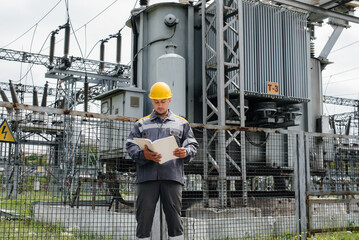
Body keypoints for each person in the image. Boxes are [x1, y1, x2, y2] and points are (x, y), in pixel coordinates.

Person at [126, 82, 198, 240]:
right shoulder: (141, 124)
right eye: (156, 101)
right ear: (151, 101)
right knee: (143, 219)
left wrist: (185, 152)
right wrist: (144, 155)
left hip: (172, 177)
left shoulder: (182, 123)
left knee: (174, 219)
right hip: (147, 178)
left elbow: (192, 144)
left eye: (163, 101)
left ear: (170, 100)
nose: (160, 105)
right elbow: (130, 145)